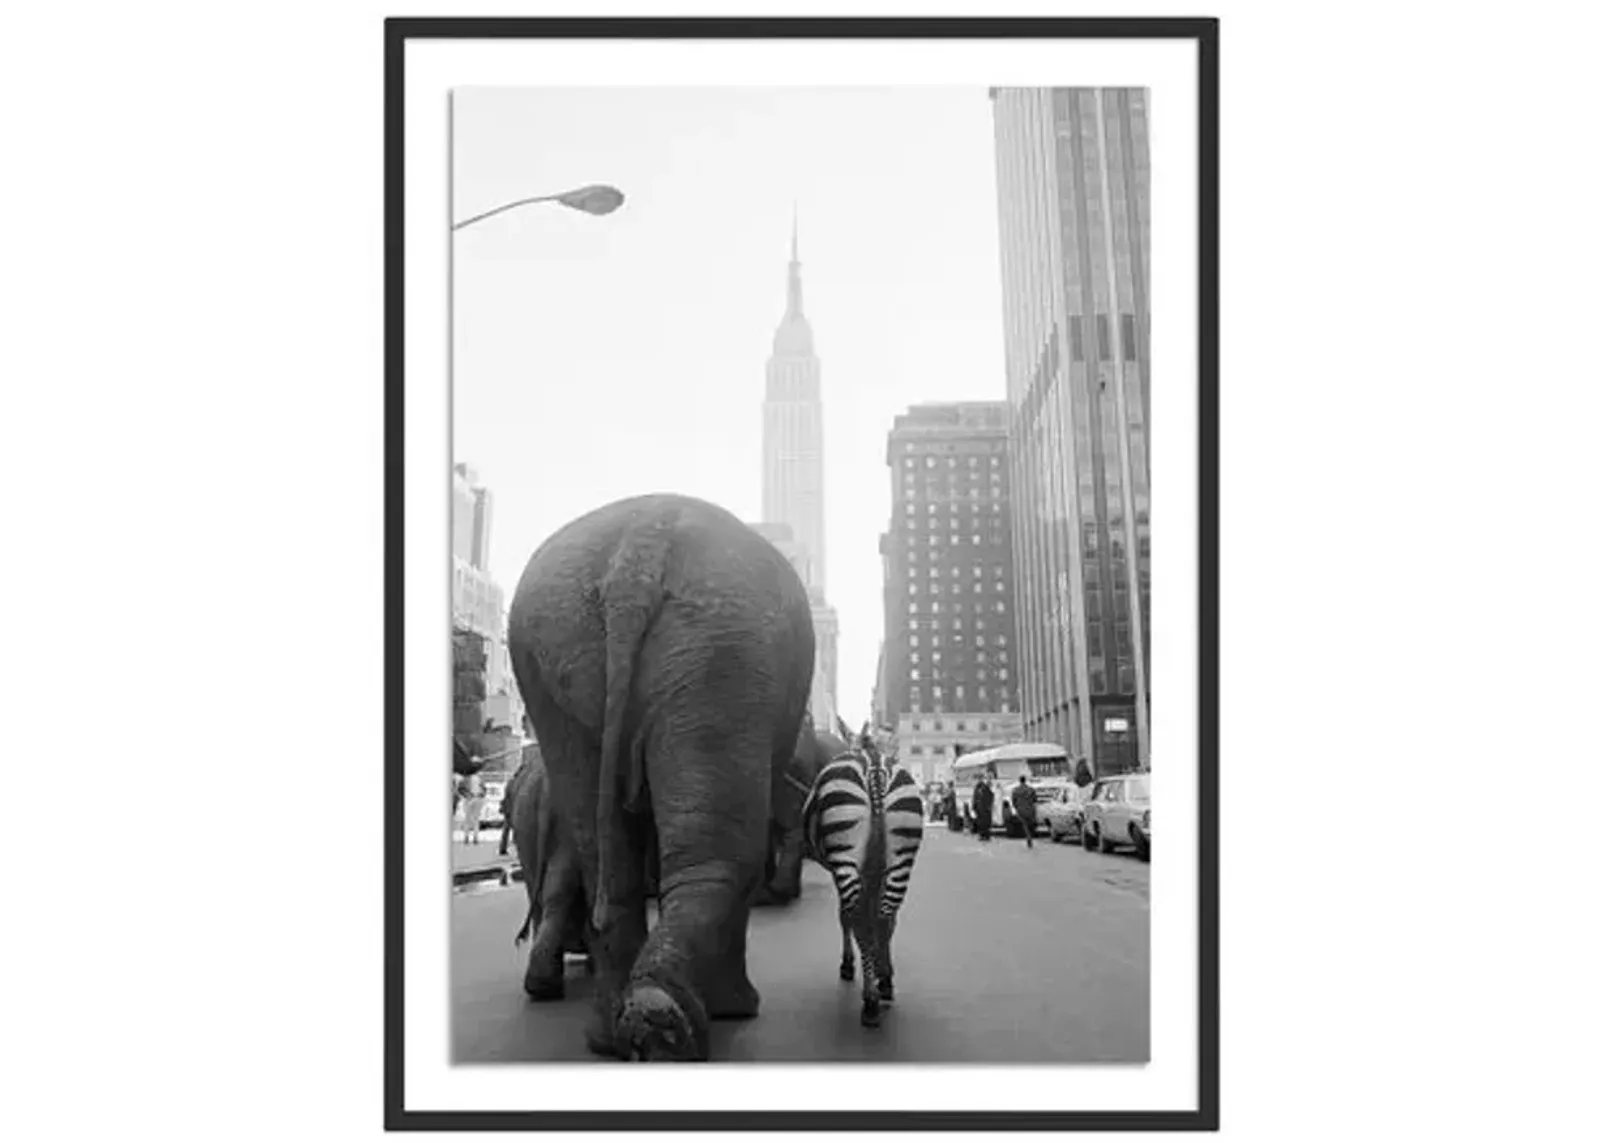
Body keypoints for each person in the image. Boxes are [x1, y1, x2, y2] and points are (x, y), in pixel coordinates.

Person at [1011, 774, 1039, 849]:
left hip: (1021, 809)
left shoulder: (1015, 790)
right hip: (1030, 809)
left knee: (1025, 824)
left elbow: (1013, 801)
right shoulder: (1031, 789)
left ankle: (1028, 837)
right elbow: (1035, 800)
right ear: (1025, 780)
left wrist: (1016, 807)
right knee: (1031, 824)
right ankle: (1030, 836)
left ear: (1020, 781)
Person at [460, 769, 486, 846]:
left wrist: (467, 795)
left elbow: (460, 789)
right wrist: (481, 794)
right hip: (474, 798)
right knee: (474, 819)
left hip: (472, 798)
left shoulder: (466, 778)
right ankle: (473, 838)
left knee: (469, 819)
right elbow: (484, 789)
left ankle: (469, 837)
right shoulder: (479, 778)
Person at [972, 776, 995, 842]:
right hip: (980, 808)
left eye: (980, 779)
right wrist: (974, 806)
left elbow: (991, 797)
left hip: (985, 808)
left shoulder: (985, 788)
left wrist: (989, 806)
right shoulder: (977, 788)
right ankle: (982, 835)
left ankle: (986, 835)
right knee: (981, 822)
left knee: (986, 822)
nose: (979, 780)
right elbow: (975, 797)